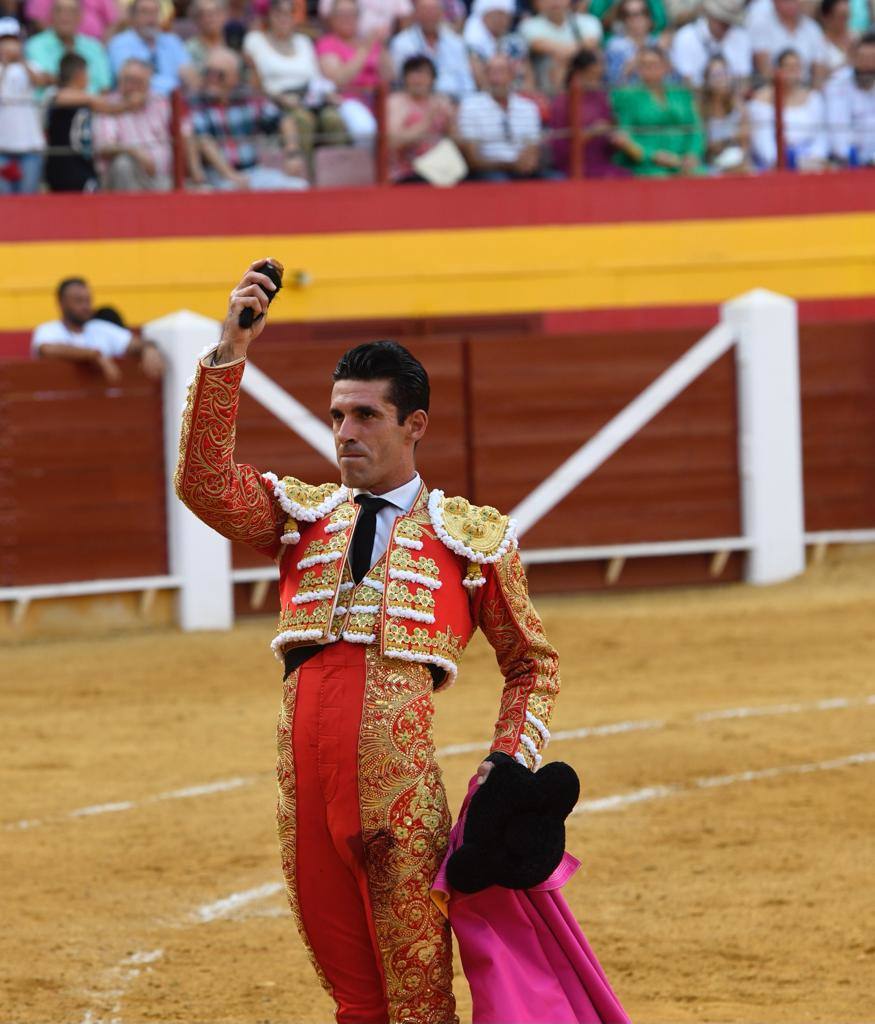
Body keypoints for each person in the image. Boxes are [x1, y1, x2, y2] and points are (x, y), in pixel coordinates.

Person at [174, 256, 559, 1024]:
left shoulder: (469, 537)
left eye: (365, 417)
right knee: (355, 999)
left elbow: (531, 667)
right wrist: (230, 352)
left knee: (417, 1002)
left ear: (413, 424)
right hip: (305, 794)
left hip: (401, 802)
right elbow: (203, 484)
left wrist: (507, 771)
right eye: (336, 416)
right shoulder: (301, 517)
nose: (344, 433)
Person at [188, 46, 309, 188]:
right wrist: (231, 176)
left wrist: (292, 153)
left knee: (298, 186)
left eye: (219, 75)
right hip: (217, 177)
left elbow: (284, 120)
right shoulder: (198, 102)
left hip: (253, 172)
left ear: (234, 77)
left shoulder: (248, 98)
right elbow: (203, 140)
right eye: (208, 73)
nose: (211, 80)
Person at [244, 0, 349, 155]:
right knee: (302, 120)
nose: (283, 18)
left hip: (308, 98)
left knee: (333, 118)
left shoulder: (304, 41)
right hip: (275, 103)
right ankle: (304, 174)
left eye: (288, 14)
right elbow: (253, 82)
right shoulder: (255, 40)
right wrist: (278, 98)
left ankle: (337, 172)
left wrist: (327, 94)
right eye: (278, 13)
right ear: (269, 16)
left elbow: (316, 78)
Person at [32, 277, 164, 381]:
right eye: (78, 301)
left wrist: (149, 348)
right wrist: (94, 354)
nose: (86, 306)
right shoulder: (48, 330)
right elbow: (47, 349)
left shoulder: (101, 328)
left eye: (88, 301)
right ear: (61, 303)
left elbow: (135, 343)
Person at [44, 50, 138, 190]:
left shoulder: (87, 99)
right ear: (79, 74)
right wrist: (91, 99)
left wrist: (129, 105)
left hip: (83, 162)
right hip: (62, 162)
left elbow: (109, 109)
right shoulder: (54, 93)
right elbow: (59, 98)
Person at [611, 44, 705, 175]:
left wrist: (692, 154)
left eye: (654, 64)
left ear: (665, 66)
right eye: (643, 64)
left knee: (699, 175)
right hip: (647, 164)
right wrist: (653, 156)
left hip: (683, 161)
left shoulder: (681, 93)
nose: (649, 68)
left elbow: (695, 127)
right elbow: (624, 136)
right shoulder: (628, 96)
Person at [548, 48, 639, 176]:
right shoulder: (562, 103)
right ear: (578, 74)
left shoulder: (601, 98)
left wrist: (615, 142)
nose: (596, 82)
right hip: (574, 168)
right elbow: (558, 149)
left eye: (599, 77)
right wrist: (589, 134)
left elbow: (607, 147)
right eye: (591, 76)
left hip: (602, 164)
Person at [92, 56, 177, 190]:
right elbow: (103, 147)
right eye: (128, 81)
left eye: (138, 82)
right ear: (119, 82)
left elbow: (183, 133)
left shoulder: (160, 103)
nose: (133, 87)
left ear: (148, 83)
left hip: (162, 178)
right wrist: (135, 152)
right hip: (125, 179)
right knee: (123, 163)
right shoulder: (108, 105)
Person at [457, 52, 544, 180]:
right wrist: (509, 165)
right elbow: (472, 159)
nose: (496, 79)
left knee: (554, 180)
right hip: (489, 171)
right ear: (485, 76)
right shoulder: (470, 107)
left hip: (521, 169)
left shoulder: (528, 107)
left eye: (501, 72)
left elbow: (533, 147)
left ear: (512, 75)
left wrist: (527, 163)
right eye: (491, 72)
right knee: (498, 180)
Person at [317, 0, 394, 143]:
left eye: (352, 14)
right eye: (342, 14)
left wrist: (382, 46)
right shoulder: (327, 43)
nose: (347, 19)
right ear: (332, 18)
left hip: (378, 99)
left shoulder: (368, 41)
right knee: (365, 129)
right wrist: (364, 50)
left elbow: (389, 76)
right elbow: (338, 79)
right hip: (347, 100)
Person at [748, 47, 828, 167]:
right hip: (775, 164)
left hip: (810, 162)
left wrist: (815, 157)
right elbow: (763, 140)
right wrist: (784, 161)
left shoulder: (813, 98)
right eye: (788, 67)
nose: (793, 72)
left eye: (796, 67)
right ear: (777, 70)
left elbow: (821, 136)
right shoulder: (760, 102)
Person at [390, 0, 475, 101]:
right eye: (425, 11)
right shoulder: (401, 43)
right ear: (416, 14)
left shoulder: (456, 42)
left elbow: (466, 82)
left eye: (433, 11)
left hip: (456, 101)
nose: (430, 16)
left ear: (442, 13)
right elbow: (399, 82)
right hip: (417, 101)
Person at [387, 53, 455, 181]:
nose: (417, 80)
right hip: (407, 173)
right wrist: (427, 121)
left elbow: (454, 140)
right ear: (405, 78)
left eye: (423, 74)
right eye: (413, 74)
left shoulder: (440, 101)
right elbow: (392, 142)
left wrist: (451, 122)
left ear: (433, 79)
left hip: (440, 169)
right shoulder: (396, 103)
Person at [108, 0, 198, 95]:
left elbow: (189, 75)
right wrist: (174, 87)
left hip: (176, 101)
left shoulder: (172, 41)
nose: (151, 18)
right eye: (145, 12)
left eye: (155, 12)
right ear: (132, 17)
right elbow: (132, 82)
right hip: (137, 103)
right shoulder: (120, 43)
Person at [24, 0, 112, 94]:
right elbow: (45, 78)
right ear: (51, 15)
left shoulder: (94, 47)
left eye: (71, 11)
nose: (65, 16)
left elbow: (104, 86)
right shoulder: (36, 45)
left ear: (80, 16)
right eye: (59, 10)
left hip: (93, 107)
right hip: (51, 107)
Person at [0, 17, 46, 195]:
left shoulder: (31, 65)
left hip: (30, 147)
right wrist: (4, 64)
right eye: (5, 41)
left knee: (28, 203)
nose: (9, 45)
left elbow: (41, 82)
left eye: (13, 40)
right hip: (2, 148)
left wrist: (21, 60)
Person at [519, 0, 602, 95]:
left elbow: (592, 42)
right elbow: (537, 44)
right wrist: (575, 50)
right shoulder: (529, 25)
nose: (555, 2)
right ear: (538, 2)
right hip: (544, 81)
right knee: (551, 59)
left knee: (593, 56)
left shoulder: (589, 21)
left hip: (579, 77)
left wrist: (566, 54)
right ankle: (555, 96)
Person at [669, 0, 752, 87]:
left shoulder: (741, 37)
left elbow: (744, 79)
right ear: (710, 16)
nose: (726, 27)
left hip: (732, 96)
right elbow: (687, 80)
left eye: (729, 23)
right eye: (722, 22)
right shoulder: (686, 37)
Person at [748, 0, 828, 86]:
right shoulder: (762, 25)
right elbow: (764, 70)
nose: (792, 4)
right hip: (773, 89)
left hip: (806, 88)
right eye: (787, 1)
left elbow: (820, 69)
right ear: (774, 2)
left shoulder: (812, 28)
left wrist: (811, 96)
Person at [825, 30, 875, 163]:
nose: (867, 67)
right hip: (848, 162)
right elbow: (838, 133)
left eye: (872, 60)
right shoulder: (837, 85)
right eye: (863, 59)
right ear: (854, 59)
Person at [463, 0, 530, 92]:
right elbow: (479, 79)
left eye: (503, 14)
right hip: (487, 97)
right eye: (495, 14)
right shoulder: (473, 44)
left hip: (518, 97)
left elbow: (528, 75)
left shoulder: (516, 42)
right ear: (483, 17)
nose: (499, 19)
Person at [699, 52, 749, 170]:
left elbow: (745, 138)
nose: (720, 80)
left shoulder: (738, 106)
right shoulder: (700, 108)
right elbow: (703, 143)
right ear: (707, 79)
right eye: (715, 75)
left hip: (737, 160)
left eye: (723, 74)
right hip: (710, 161)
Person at [603, 0, 660, 87]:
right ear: (623, 19)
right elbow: (612, 83)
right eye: (629, 15)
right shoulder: (615, 46)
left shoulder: (658, 43)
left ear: (649, 17)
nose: (637, 19)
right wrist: (639, 58)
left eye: (642, 12)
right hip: (628, 95)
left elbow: (674, 80)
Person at [186, 0, 239, 76]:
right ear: (196, 19)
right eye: (204, 14)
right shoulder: (189, 49)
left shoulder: (234, 43)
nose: (210, 18)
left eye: (215, 13)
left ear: (225, 15)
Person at [24, 0, 119, 40]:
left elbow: (113, 22)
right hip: (54, 44)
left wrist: (101, 46)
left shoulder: (94, 49)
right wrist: (59, 40)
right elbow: (37, 18)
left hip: (94, 45)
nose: (66, 16)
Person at [820, 0, 855, 78]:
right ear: (826, 18)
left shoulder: (857, 39)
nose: (845, 21)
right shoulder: (818, 43)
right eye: (840, 17)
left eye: (847, 16)